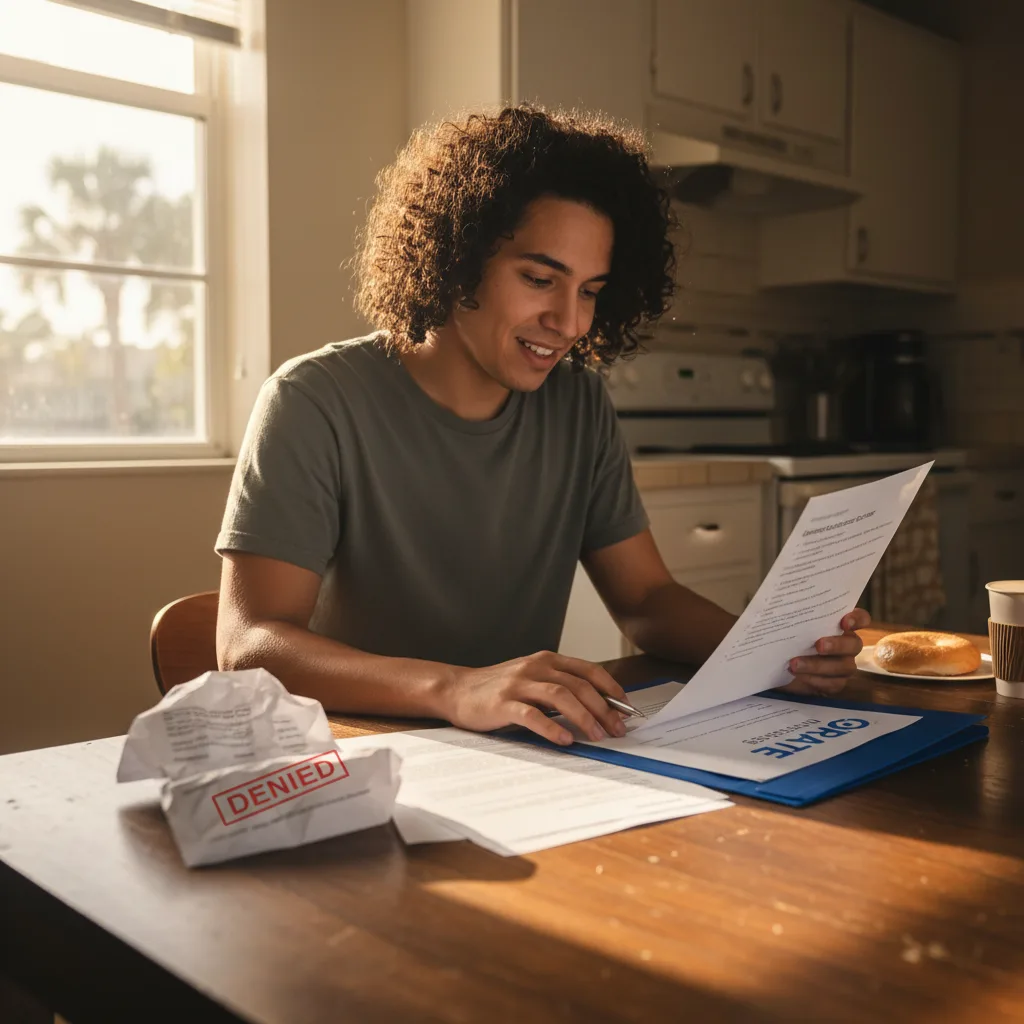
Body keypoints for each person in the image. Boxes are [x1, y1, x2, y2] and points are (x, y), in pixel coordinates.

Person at [215, 106, 868, 748]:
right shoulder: (314, 401)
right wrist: (456, 688)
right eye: (539, 279)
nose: (571, 321)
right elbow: (247, 646)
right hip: (362, 755)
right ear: (458, 257)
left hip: (523, 753)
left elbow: (646, 597)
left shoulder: (578, 404)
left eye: (589, 290)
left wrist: (773, 651)